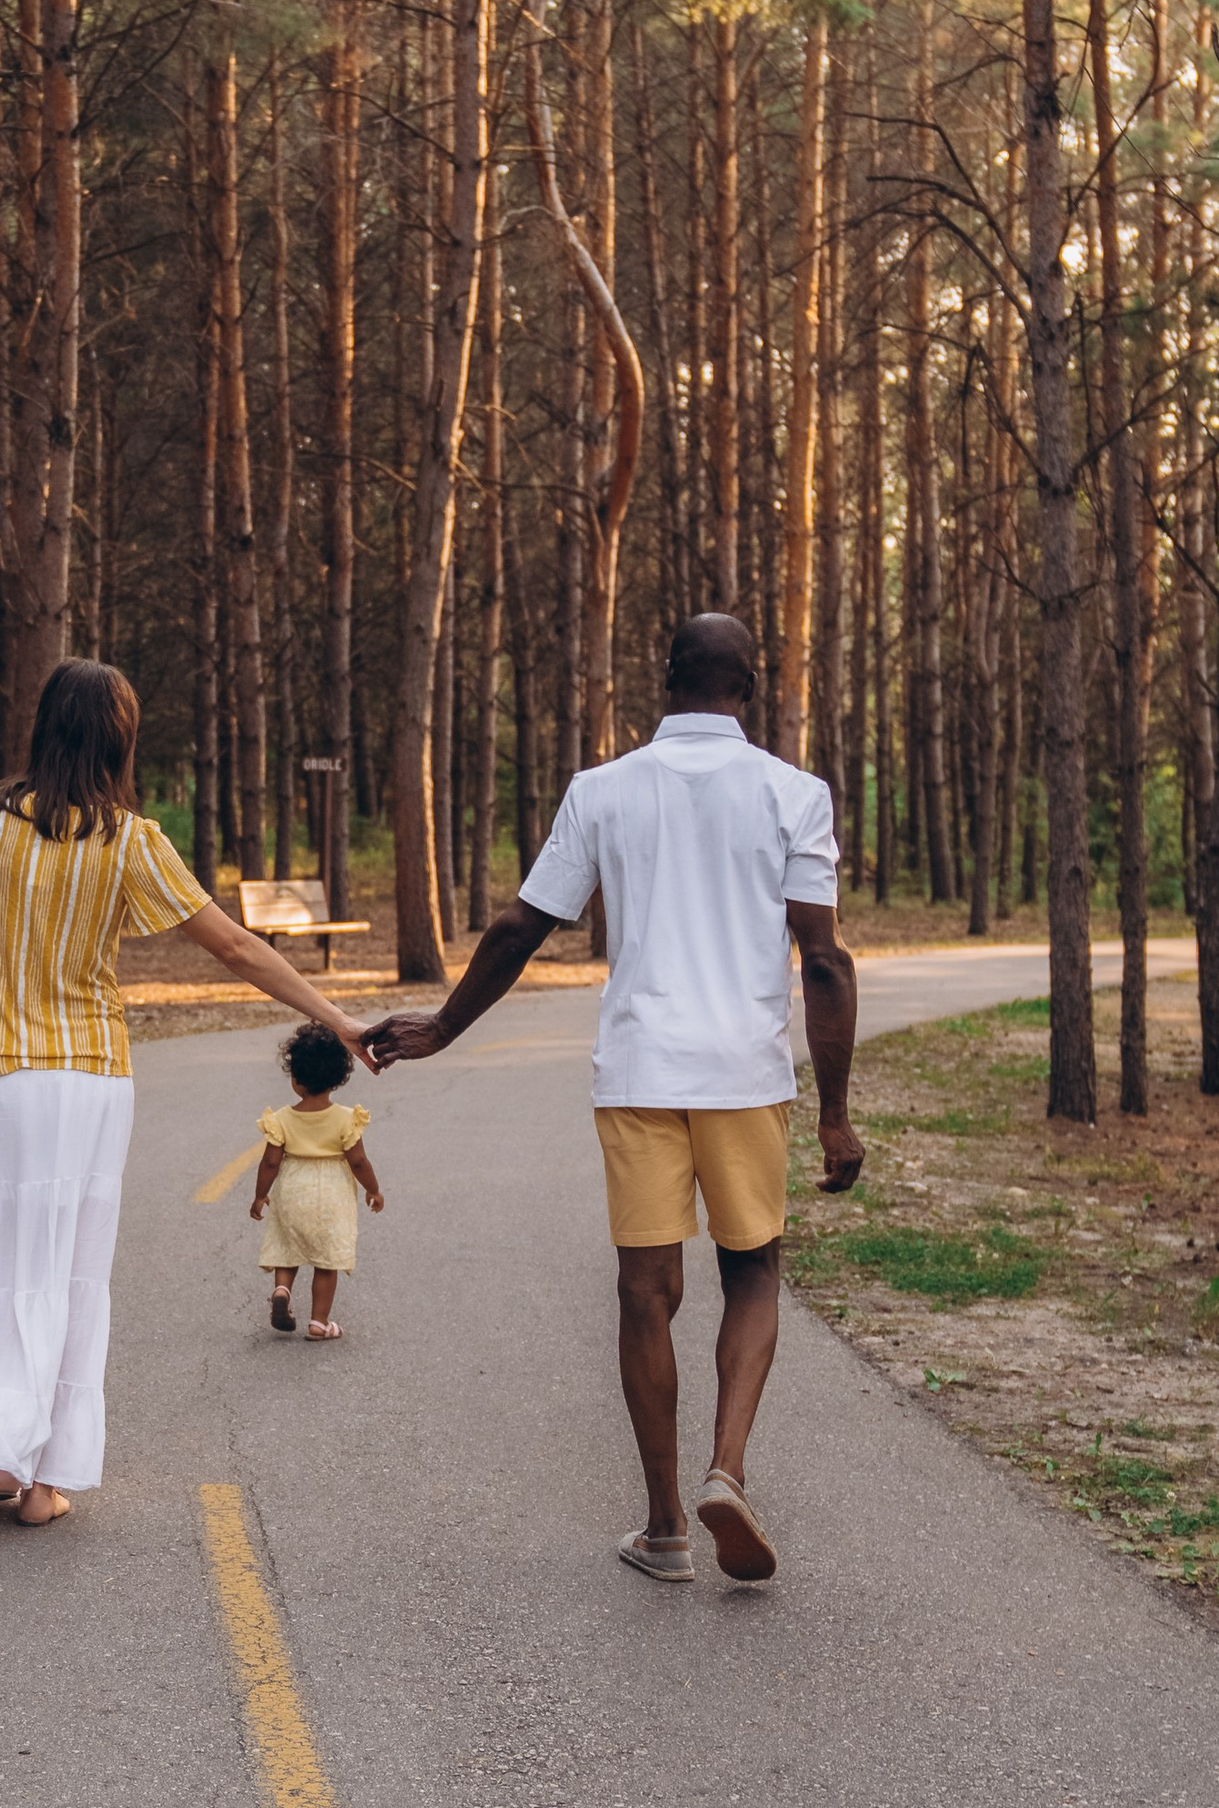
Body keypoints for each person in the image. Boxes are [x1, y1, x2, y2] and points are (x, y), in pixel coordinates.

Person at [368, 613, 861, 1587]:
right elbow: (825, 960)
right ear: (749, 688)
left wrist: (446, 1027)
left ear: (664, 680)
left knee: (646, 1292)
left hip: (640, 1070)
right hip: (743, 1075)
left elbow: (522, 924)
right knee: (753, 1271)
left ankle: (665, 1527)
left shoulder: (602, 790)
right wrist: (836, 1113)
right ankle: (726, 1468)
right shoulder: (793, 794)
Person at [0, 660, 377, 1528]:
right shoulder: (131, 841)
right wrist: (339, 1019)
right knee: (70, 1271)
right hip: (91, 1080)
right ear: (121, 739)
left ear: (44, 725)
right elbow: (237, 948)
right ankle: (43, 1482)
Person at [250, 1020, 385, 1341]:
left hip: (292, 1190)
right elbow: (358, 1161)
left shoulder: (282, 1119)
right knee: (326, 1260)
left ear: (295, 1078)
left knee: (288, 1248)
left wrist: (259, 1196)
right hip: (332, 1195)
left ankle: (282, 1290)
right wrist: (373, 1189)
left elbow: (270, 1162)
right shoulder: (346, 1118)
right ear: (338, 1078)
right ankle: (319, 1323)